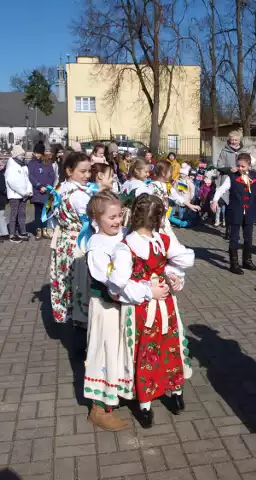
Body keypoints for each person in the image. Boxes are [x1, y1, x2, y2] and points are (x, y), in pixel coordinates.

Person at [108, 194, 195, 428]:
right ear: (158, 219)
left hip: (148, 307)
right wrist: (158, 285)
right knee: (167, 347)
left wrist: (172, 279)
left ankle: (148, 405)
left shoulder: (129, 246)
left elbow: (118, 283)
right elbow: (182, 261)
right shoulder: (160, 241)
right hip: (156, 306)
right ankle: (173, 395)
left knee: (150, 351)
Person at [84, 191, 139, 431]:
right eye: (112, 217)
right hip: (106, 308)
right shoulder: (96, 247)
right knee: (104, 352)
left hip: (124, 306)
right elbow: (110, 283)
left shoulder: (125, 235)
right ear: (97, 218)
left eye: (119, 216)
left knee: (121, 350)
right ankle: (98, 408)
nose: (117, 221)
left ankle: (119, 391)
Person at [211, 153, 256, 275]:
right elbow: (221, 189)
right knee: (234, 238)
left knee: (248, 238)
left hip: (249, 212)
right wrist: (215, 200)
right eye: (238, 166)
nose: (240, 168)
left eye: (243, 166)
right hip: (235, 212)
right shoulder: (231, 177)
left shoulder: (254, 176)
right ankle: (234, 264)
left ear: (248, 166)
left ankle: (247, 261)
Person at [50, 152, 94, 325]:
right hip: (79, 242)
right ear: (69, 171)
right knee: (81, 283)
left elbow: (53, 220)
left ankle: (70, 316)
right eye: (82, 171)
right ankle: (81, 323)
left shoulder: (60, 188)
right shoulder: (79, 195)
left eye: (89, 171)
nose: (87, 175)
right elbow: (91, 220)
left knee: (67, 280)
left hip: (64, 241)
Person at [214, 131, 246, 237]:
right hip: (227, 178)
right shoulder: (224, 151)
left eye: (236, 140)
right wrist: (229, 169)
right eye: (232, 139)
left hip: (239, 179)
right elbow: (219, 165)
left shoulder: (243, 151)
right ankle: (228, 229)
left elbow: (248, 163)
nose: (233, 141)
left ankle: (235, 229)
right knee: (228, 205)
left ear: (239, 140)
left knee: (237, 204)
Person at [28, 141, 56, 240]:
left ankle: (44, 229)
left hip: (46, 192)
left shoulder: (47, 163)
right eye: (36, 153)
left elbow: (51, 176)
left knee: (46, 211)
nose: (37, 155)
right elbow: (30, 176)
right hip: (37, 192)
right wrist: (39, 186)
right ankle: (38, 230)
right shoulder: (31, 163)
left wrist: (48, 187)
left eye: (39, 153)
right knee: (38, 212)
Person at [5, 145, 33, 243]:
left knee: (22, 214)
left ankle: (22, 231)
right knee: (14, 214)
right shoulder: (11, 166)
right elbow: (12, 182)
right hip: (15, 195)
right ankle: (12, 234)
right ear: (16, 155)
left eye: (23, 154)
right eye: (21, 154)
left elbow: (27, 179)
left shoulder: (23, 165)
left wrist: (29, 190)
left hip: (24, 194)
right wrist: (23, 192)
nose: (23, 156)